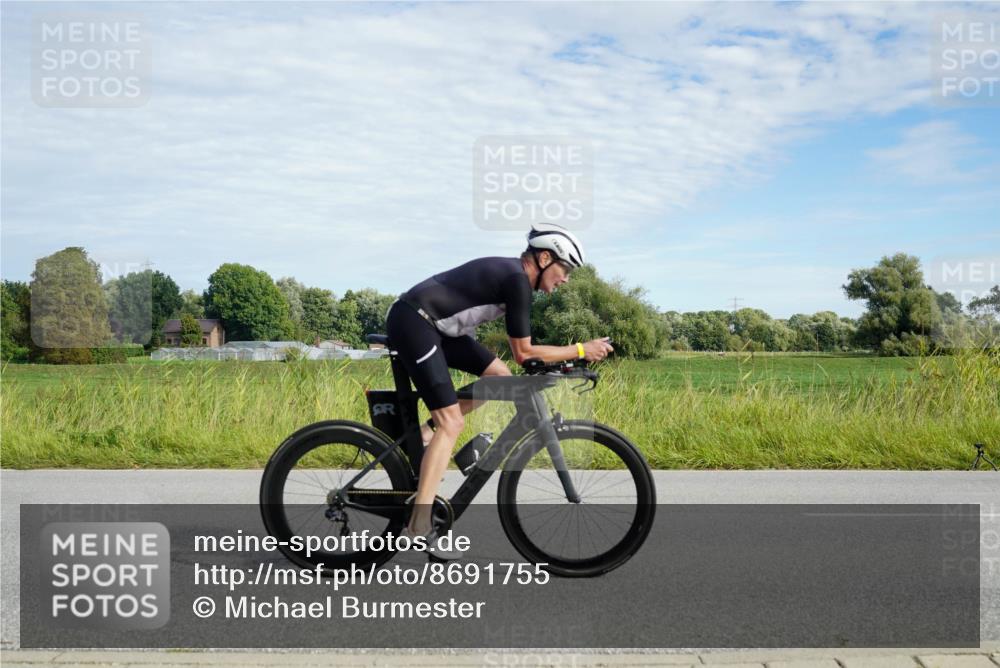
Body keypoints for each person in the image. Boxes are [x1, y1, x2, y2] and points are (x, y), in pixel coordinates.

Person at [384, 222, 614, 559]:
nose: (566, 279)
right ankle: (418, 526)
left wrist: (563, 361)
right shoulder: (517, 281)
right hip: (414, 322)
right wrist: (580, 350)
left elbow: (522, 359)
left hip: (437, 328)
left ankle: (424, 435)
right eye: (565, 269)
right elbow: (525, 352)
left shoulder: (516, 279)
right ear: (545, 259)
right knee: (452, 423)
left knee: (500, 377)